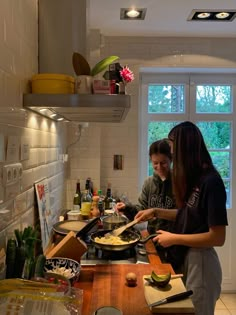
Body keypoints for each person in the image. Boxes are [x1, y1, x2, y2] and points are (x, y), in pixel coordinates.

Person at [135, 121, 228, 315]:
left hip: (201, 261)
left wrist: (174, 238)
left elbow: (217, 237)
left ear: (184, 148)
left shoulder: (212, 182)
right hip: (189, 257)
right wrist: (156, 211)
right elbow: (188, 215)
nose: (172, 156)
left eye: (172, 150)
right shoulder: (197, 179)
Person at [116, 139, 176, 261]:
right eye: (155, 163)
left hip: (174, 245)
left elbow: (184, 215)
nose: (159, 167)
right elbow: (140, 210)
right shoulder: (149, 183)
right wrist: (126, 208)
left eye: (163, 163)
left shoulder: (179, 183)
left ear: (171, 159)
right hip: (152, 242)